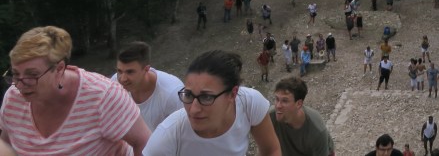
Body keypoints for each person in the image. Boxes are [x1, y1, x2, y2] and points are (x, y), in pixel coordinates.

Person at [0, 25, 150, 156]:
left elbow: (145, 143)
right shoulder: (13, 98)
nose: (20, 84)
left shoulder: (102, 96)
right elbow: (6, 145)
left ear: (59, 69)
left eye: (32, 75)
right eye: (15, 74)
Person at [143, 49, 281, 156]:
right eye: (189, 95)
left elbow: (271, 150)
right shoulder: (167, 138)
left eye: (206, 97)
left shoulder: (249, 102)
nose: (193, 109)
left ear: (232, 94)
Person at [115, 40, 185, 131]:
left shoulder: (172, 93)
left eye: (130, 72)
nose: (123, 79)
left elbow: (184, 131)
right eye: (119, 71)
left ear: (146, 69)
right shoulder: (113, 84)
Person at [270, 77, 334, 156]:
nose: (278, 106)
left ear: (298, 104)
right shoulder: (269, 117)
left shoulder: (317, 130)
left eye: (285, 101)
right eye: (277, 99)